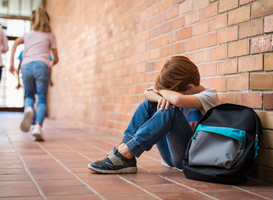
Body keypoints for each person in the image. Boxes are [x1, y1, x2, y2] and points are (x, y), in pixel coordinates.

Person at [88, 56, 220, 174]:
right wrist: (158, 96)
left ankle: (127, 152)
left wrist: (159, 91)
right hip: (170, 156)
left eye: (171, 92)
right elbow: (147, 93)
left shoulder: (209, 96)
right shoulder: (178, 93)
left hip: (188, 158)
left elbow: (178, 100)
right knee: (149, 103)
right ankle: (124, 152)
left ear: (190, 88)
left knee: (170, 110)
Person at [9, 7, 59, 141]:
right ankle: (37, 126)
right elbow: (56, 58)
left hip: (25, 66)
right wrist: (49, 64)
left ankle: (28, 109)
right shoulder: (50, 35)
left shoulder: (27, 35)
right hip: (41, 65)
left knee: (29, 95)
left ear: (32, 22)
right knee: (42, 98)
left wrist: (12, 64)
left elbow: (14, 44)